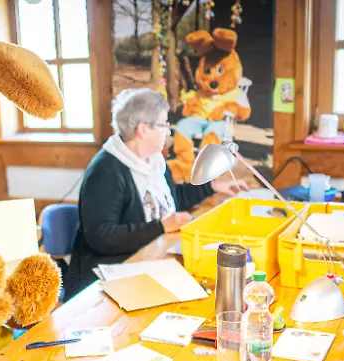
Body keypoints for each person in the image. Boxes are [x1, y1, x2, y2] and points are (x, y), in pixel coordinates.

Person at [65, 88, 247, 299]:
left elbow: (172, 199)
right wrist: (161, 226)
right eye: (163, 125)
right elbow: (102, 236)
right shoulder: (106, 171)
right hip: (105, 281)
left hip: (149, 260)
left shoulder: (154, 161)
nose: (168, 132)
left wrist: (212, 187)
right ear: (143, 129)